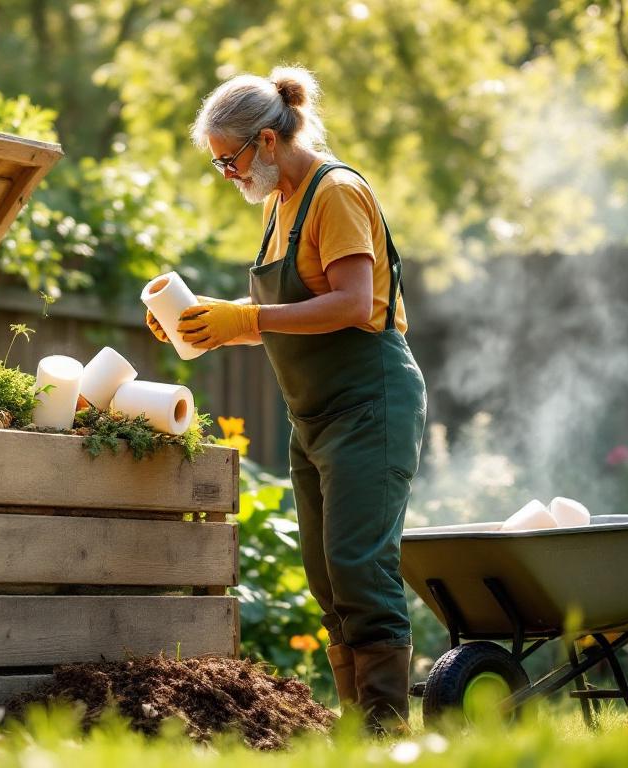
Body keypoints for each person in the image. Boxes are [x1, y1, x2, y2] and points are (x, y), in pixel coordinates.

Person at [146, 66, 426, 733]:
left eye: (230, 159)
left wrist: (246, 319)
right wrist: (206, 324)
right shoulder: (280, 205)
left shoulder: (337, 193)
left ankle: (387, 732)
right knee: (328, 580)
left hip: (370, 403)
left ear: (268, 142)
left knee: (361, 568)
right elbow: (288, 308)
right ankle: (362, 733)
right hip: (316, 416)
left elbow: (354, 305)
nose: (227, 174)